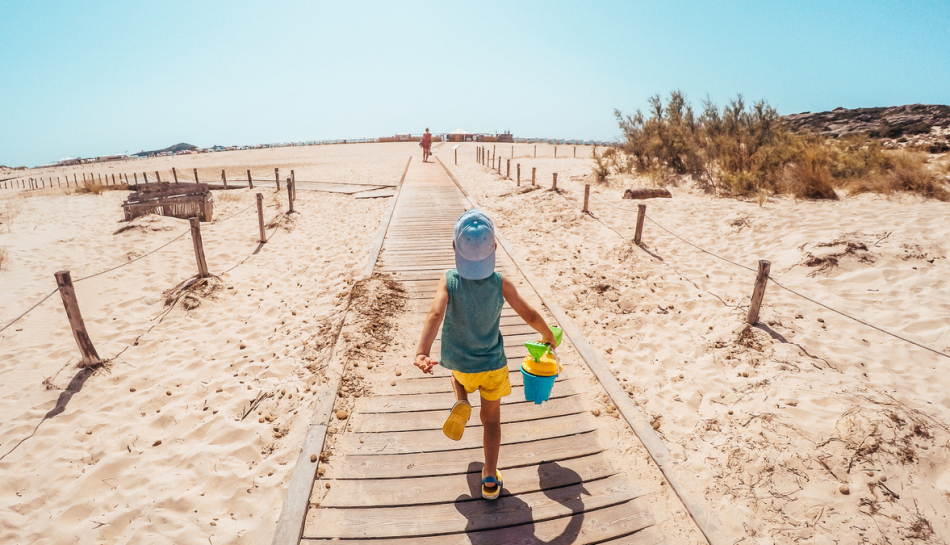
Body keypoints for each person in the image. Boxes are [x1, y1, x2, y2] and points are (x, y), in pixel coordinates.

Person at [414, 209, 558, 500]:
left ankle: (462, 399)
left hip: (462, 363)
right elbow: (528, 312)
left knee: (456, 374)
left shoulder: (449, 280)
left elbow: (435, 313)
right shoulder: (500, 283)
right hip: (493, 365)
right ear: (494, 248)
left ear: (455, 247)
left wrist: (422, 351)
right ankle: (490, 477)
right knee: (491, 421)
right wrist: (548, 335)